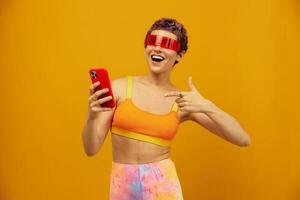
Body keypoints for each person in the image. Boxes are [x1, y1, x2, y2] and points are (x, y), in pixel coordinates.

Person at [82, 17, 251, 200]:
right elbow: (91, 149)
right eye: (152, 41)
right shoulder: (119, 88)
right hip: (123, 186)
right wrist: (92, 117)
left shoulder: (183, 101)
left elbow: (242, 139)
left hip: (163, 188)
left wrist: (207, 106)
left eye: (167, 44)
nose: (157, 48)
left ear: (180, 55)